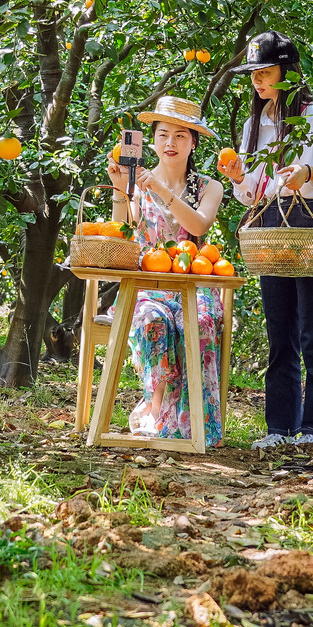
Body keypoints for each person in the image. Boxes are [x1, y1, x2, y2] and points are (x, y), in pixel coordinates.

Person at [218, 32, 313, 449]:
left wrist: (310, 175)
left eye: (265, 72)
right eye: (253, 74)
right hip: (271, 225)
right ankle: (279, 427)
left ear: (287, 71)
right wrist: (240, 179)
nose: (258, 81)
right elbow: (254, 194)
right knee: (280, 330)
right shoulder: (253, 124)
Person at [105, 95, 226, 445]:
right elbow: (122, 230)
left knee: (201, 321)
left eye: (180, 136)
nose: (170, 143)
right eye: (162, 134)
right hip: (149, 284)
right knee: (153, 321)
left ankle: (197, 422)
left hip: (195, 285)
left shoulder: (208, 187)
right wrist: (119, 189)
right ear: (153, 140)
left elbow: (199, 226)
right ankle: (156, 411)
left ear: (193, 142)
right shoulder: (136, 183)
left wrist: (158, 189)